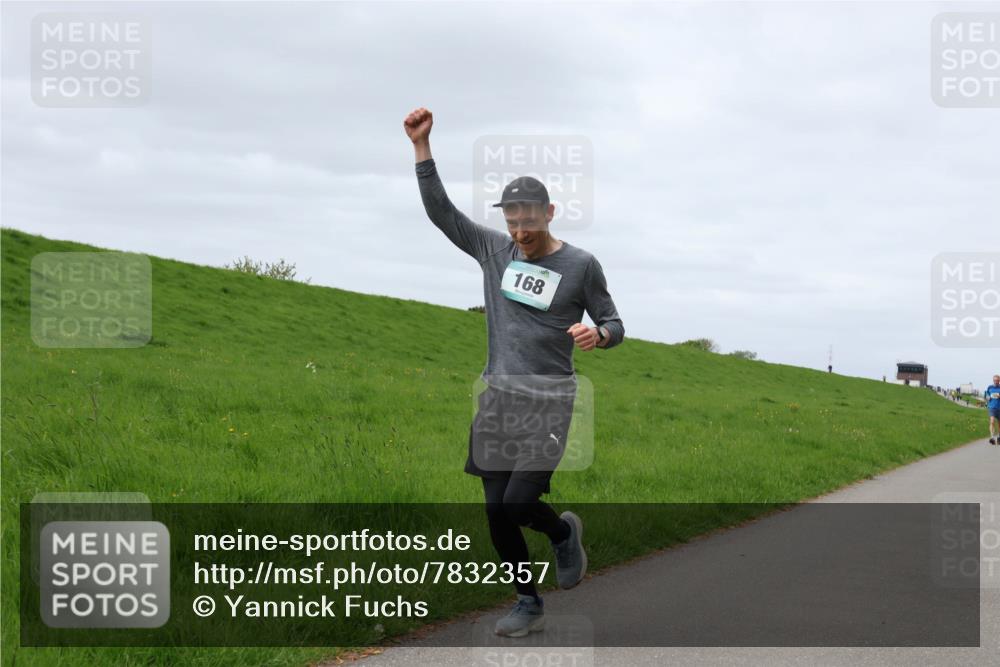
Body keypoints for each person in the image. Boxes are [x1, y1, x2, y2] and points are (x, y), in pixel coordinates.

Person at [404, 107, 625, 637]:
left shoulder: (581, 265)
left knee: (520, 502)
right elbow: (442, 213)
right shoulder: (493, 250)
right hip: (498, 401)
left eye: (529, 221)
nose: (521, 232)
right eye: (512, 222)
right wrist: (421, 147)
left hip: (549, 401)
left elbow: (614, 321)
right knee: (496, 511)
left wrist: (599, 335)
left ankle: (562, 535)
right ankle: (528, 602)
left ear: (549, 213)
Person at [985, 375, 1000, 445]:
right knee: (992, 421)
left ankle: (999, 437)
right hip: (992, 407)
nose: (996, 382)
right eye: (995, 380)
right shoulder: (990, 387)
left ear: (999, 381)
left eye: (997, 380)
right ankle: (992, 438)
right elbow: (986, 395)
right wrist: (988, 397)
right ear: (993, 380)